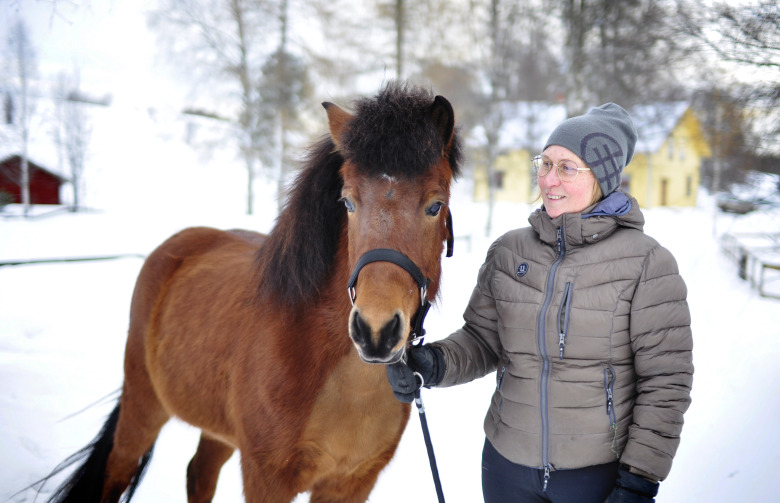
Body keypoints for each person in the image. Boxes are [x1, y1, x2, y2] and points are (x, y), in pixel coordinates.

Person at [387, 103, 693, 503]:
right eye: (545, 163)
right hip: (506, 468)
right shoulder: (510, 251)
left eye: (567, 167)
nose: (549, 179)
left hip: (595, 476)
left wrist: (639, 479)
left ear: (602, 178)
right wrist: (435, 363)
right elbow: (483, 340)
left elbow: (665, 383)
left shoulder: (647, 263)